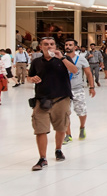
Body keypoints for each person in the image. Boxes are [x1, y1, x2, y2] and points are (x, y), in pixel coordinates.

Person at [26, 35, 79, 171]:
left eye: (51, 44)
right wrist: (32, 79)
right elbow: (29, 77)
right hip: (42, 99)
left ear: (55, 46)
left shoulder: (63, 59)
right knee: (40, 129)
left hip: (61, 98)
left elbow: (74, 70)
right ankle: (42, 158)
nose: (49, 46)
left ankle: (58, 149)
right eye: (46, 44)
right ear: (41, 47)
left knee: (61, 127)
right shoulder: (36, 62)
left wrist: (61, 57)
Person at [63, 39, 95, 142]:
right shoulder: (60, 59)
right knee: (64, 113)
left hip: (78, 89)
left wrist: (92, 87)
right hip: (63, 90)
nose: (68, 46)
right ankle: (68, 135)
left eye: (70, 45)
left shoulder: (81, 59)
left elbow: (88, 73)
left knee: (81, 111)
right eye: (66, 45)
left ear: (75, 47)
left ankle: (82, 127)